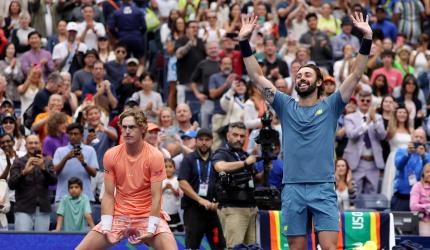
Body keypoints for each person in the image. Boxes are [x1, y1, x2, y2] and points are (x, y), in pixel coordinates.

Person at [239, 12, 372, 249]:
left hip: (323, 187)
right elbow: (257, 77)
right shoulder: (285, 105)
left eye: (307, 75)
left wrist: (367, 39)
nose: (301, 78)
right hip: (292, 189)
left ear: (319, 82)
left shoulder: (331, 105)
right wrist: (244, 43)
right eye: (298, 75)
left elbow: (355, 75)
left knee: (330, 247)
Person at [76, 108, 177, 250]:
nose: (127, 131)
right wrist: (106, 227)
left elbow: (156, 197)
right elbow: (109, 195)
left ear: (142, 129)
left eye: (132, 127)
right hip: (119, 216)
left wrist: (151, 229)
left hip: (148, 216)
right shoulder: (111, 155)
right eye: (124, 127)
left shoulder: (155, 156)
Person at [213, 122, 259, 248]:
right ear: (228, 136)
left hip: (251, 207)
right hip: (233, 208)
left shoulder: (244, 154)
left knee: (252, 248)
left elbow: (255, 179)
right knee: (235, 247)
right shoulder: (222, 152)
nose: (239, 139)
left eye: (242, 136)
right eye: (235, 135)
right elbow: (219, 166)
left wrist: (266, 167)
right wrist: (244, 163)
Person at [178, 128, 226, 249]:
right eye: (201, 139)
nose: (204, 142)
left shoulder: (216, 160)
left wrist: (219, 202)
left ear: (212, 141)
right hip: (193, 212)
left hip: (213, 212)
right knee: (192, 246)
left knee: (218, 245)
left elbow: (223, 183)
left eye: (207, 139)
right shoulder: (189, 159)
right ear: (196, 141)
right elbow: (182, 183)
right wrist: (200, 200)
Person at [8, 135, 57, 231]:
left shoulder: (47, 162)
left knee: (42, 242)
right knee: (22, 241)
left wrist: (43, 169)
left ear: (40, 145)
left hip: (43, 208)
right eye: (30, 143)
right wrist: (24, 172)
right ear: (25, 145)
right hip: (23, 209)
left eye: (36, 143)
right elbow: (11, 184)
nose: (33, 145)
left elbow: (54, 181)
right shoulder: (18, 161)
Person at [344, 90, 387, 194]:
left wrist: (375, 121)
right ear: (358, 101)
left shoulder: (378, 118)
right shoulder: (349, 117)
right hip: (356, 162)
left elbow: (382, 136)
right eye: (362, 100)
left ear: (371, 102)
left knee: (372, 195)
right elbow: (351, 135)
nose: (365, 102)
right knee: (354, 194)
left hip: (373, 162)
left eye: (368, 101)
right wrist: (366, 124)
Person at [53, 123, 98, 204]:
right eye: (70, 134)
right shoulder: (60, 151)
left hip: (85, 197)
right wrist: (65, 158)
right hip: (63, 197)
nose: (73, 136)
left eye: (76, 134)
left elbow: (94, 174)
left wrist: (83, 162)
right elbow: (55, 172)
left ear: (81, 135)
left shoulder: (90, 150)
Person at [391, 128, 430, 211]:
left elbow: (428, 172)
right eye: (416, 136)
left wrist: (423, 157)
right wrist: (407, 154)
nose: (418, 139)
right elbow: (398, 166)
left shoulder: (427, 156)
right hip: (401, 197)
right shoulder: (401, 151)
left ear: (425, 141)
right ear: (411, 138)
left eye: (421, 137)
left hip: (420, 200)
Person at [162, 159, 183, 232]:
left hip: (174, 210)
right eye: (165, 167)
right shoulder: (160, 180)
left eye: (170, 167)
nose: (168, 169)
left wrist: (172, 189)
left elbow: (179, 194)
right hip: (163, 210)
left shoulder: (177, 180)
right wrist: (164, 188)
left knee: (174, 231)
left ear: (174, 168)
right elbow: (156, 194)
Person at [410, 164, 430, 236]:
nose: (429, 174)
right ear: (423, 174)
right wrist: (427, 206)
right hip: (423, 220)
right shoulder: (417, 186)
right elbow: (413, 206)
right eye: (427, 172)